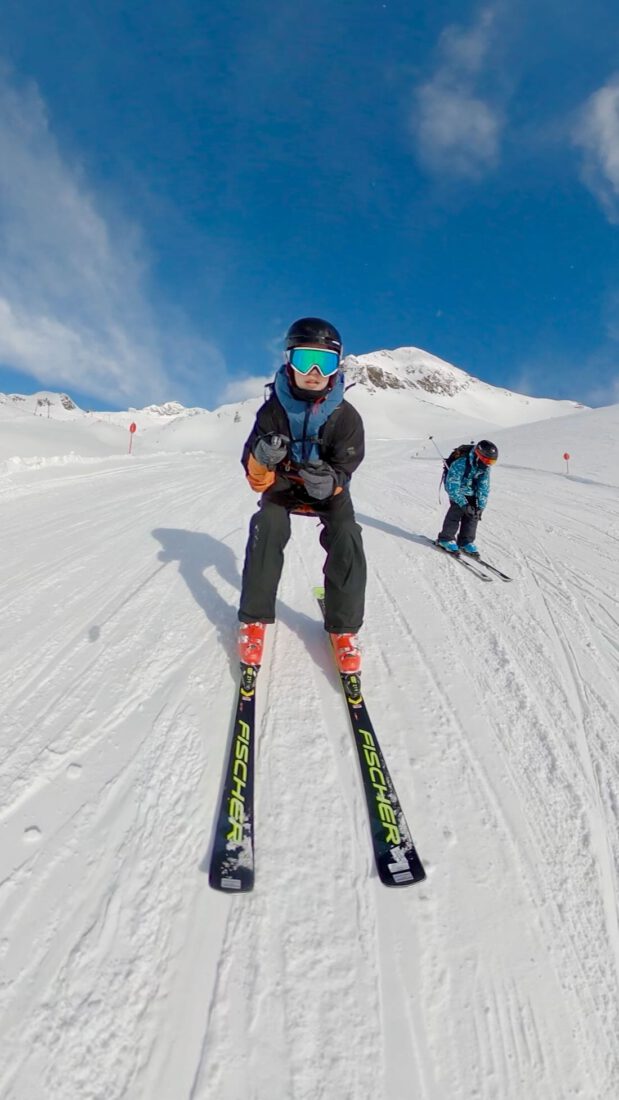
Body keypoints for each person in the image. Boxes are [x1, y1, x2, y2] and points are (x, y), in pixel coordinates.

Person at [237, 317, 367, 673]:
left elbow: (347, 467)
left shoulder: (346, 417)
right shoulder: (272, 411)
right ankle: (253, 619)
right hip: (283, 486)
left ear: (336, 367)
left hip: (326, 491)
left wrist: (334, 482)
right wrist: (262, 460)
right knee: (268, 524)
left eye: (324, 362)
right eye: (304, 359)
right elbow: (256, 479)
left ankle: (344, 629)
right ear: (288, 361)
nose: (313, 371)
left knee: (347, 535)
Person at [437, 440, 498, 555]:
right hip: (458, 491)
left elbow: (483, 488)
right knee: (457, 511)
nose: (488, 464)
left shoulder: (485, 467)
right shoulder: (461, 463)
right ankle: (445, 539)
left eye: (492, 462)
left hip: (471, 492)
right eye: (487, 460)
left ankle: (465, 541)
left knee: (473, 515)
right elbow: (452, 486)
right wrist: (463, 504)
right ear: (479, 455)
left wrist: (480, 507)